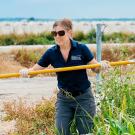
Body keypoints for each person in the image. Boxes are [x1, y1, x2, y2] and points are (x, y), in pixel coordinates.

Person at [19, 19, 110, 135]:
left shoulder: (81, 49)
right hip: (64, 99)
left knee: (85, 132)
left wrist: (101, 66)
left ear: (70, 33)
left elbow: (95, 69)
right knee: (61, 131)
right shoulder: (51, 53)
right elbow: (34, 71)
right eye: (54, 33)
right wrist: (27, 72)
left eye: (61, 33)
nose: (57, 36)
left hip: (84, 98)